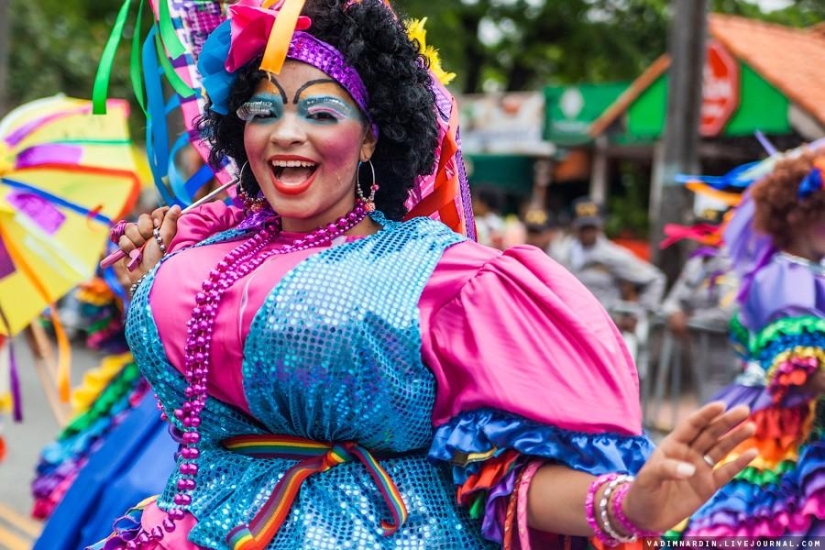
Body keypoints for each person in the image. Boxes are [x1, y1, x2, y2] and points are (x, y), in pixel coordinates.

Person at [95, 1, 757, 548]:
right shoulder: (207, 250)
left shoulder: (444, 276)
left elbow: (500, 476)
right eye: (262, 112)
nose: (284, 133)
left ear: (373, 136)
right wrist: (159, 264)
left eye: (319, 113)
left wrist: (627, 506)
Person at [672, 147, 825, 539]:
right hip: (784, 430)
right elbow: (800, 374)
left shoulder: (803, 272)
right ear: (799, 213)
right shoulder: (787, 278)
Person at [552, 197, 665, 370]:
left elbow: (655, 279)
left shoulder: (614, 255)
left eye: (591, 227)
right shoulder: (559, 254)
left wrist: (638, 314)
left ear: (601, 226)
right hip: (564, 331)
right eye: (583, 227)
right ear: (574, 226)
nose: (586, 232)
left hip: (602, 333)